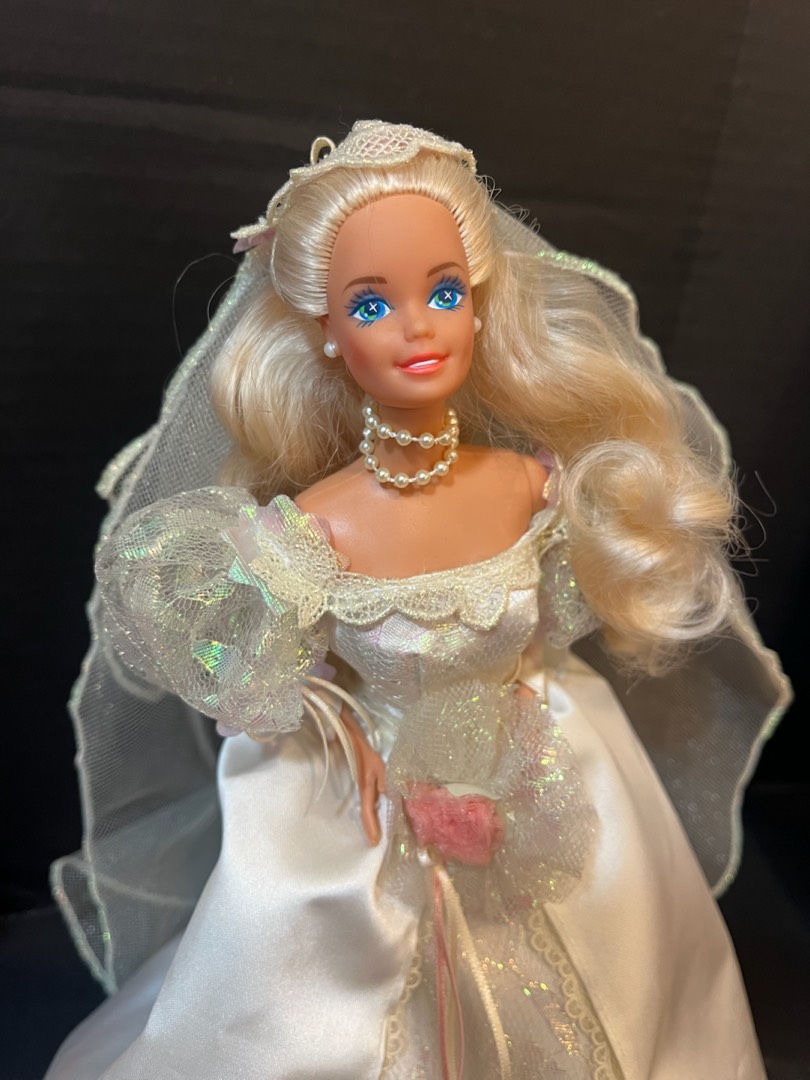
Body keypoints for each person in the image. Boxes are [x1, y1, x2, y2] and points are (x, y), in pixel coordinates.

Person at [47, 121, 789, 1080]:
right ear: (325, 329)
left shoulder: (532, 485)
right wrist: (328, 713)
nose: (418, 328)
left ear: (478, 303)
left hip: (541, 767)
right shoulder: (312, 529)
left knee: (623, 956)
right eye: (371, 304)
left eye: (445, 293)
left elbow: (557, 613)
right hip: (375, 805)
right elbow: (258, 674)